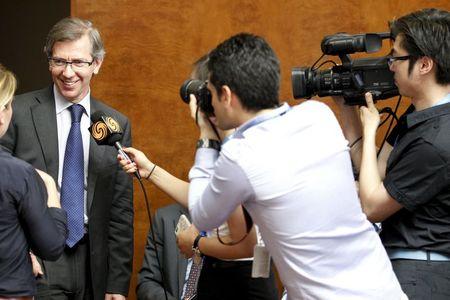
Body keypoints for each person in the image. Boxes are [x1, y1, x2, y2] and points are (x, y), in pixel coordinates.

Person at [182, 33, 405, 299]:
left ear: (226, 95)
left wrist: (206, 139)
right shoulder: (318, 115)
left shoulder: (240, 156)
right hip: (382, 286)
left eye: (211, 93)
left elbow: (203, 215)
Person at [122, 56, 279, 300]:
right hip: (232, 272)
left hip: (240, 278)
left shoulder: (238, 149)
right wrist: (151, 170)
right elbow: (213, 199)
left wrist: (195, 243)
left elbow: (243, 242)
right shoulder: (238, 139)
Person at [0, 18, 134, 300]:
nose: (68, 72)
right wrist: (16, 253)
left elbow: (120, 212)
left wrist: (117, 284)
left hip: (92, 261)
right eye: (59, 61)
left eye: (78, 63)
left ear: (96, 64)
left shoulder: (115, 124)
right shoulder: (17, 112)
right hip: (37, 256)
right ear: (49, 62)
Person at [335, 8, 450, 299]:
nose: (389, 66)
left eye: (395, 58)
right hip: (403, 264)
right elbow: (373, 173)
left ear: (424, 64)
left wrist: (371, 129)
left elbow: (372, 205)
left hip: (420, 275)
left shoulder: (436, 140)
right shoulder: (419, 114)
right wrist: (348, 111)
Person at [0, 64, 67, 298]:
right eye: (9, 105)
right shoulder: (19, 173)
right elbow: (51, 246)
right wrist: (49, 187)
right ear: (1, 114)